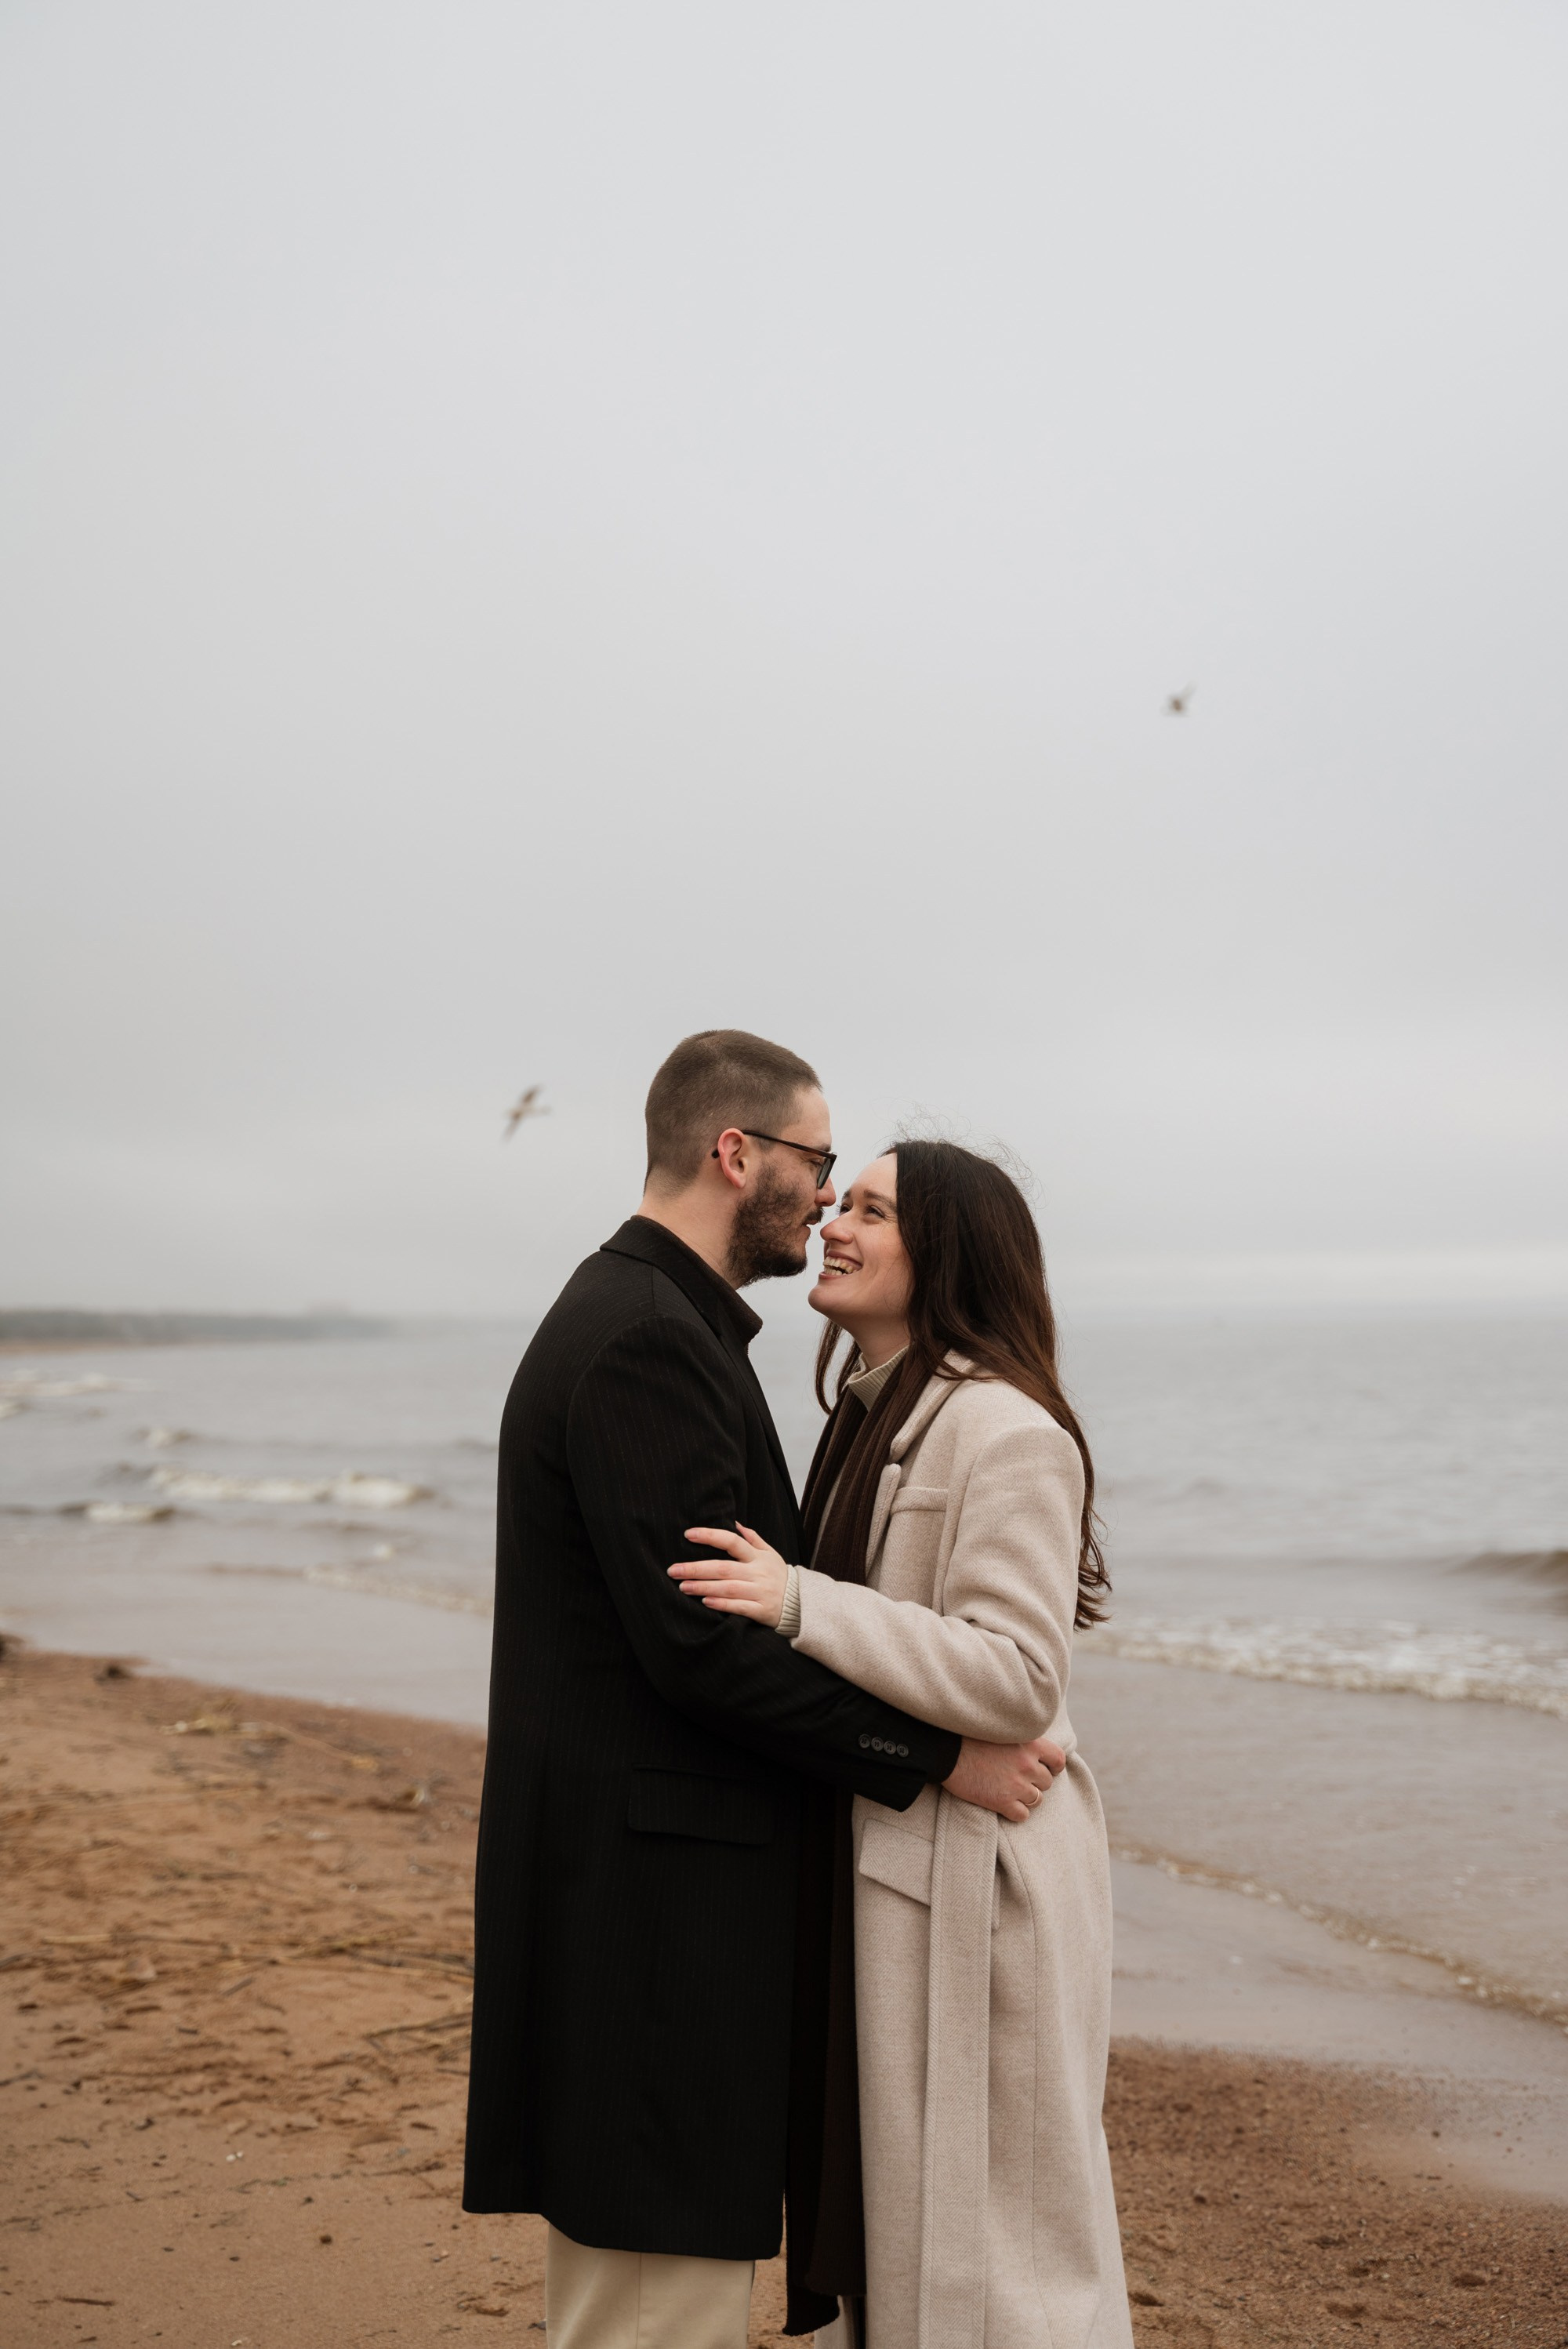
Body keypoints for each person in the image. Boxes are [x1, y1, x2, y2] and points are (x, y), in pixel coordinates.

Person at [463, 1036, 1065, 2349]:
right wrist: (933, 1760)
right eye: (820, 1167)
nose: (827, 1199)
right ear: (738, 1154)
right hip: (652, 1931)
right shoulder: (644, 1339)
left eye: (855, 1188)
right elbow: (705, 1651)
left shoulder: (659, 1324)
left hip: (641, 1915)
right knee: (645, 2324)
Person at [672, 1138, 1134, 2349]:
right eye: (844, 1199)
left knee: (1008, 2250)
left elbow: (1022, 1678)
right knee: (906, 2230)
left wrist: (799, 1602)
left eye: (874, 1210)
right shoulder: (869, 1419)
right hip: (896, 1867)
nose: (834, 1220)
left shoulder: (1003, 1430)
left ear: (949, 1255)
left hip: (987, 1883)